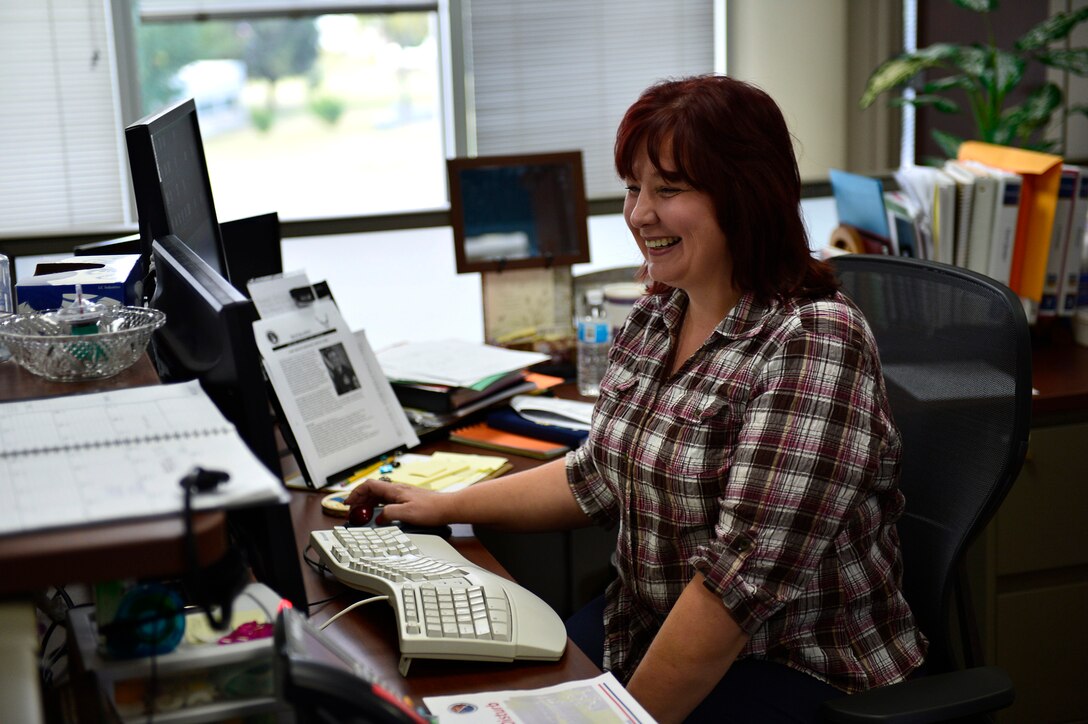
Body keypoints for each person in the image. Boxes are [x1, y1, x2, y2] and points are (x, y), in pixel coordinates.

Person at [348, 74, 926, 723]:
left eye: (668, 190)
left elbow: (736, 591)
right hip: (646, 625)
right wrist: (442, 506)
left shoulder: (814, 343)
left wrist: (620, 719)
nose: (639, 213)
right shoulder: (659, 315)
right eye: (633, 188)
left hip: (793, 663)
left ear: (744, 195)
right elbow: (596, 475)